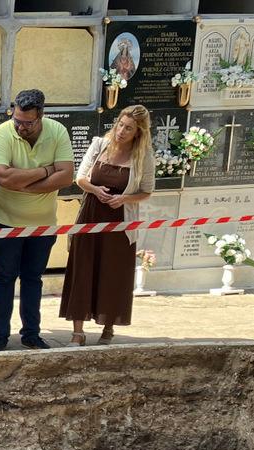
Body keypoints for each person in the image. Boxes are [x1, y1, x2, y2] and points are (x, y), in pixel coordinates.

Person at [0, 88, 74, 352]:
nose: (21, 127)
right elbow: (4, 177)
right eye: (17, 120)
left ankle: (31, 333)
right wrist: (46, 172)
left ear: (41, 116)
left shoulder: (57, 131)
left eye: (28, 123)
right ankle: (0, 335)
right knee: (4, 277)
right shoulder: (2, 133)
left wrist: (25, 183)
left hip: (43, 223)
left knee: (33, 278)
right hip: (5, 219)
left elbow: (67, 176)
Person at [60, 105, 154, 346]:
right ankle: (77, 331)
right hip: (91, 215)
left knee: (112, 273)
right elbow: (80, 177)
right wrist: (95, 189)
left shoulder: (143, 156)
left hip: (120, 221)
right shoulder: (99, 144)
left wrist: (124, 198)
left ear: (138, 133)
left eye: (129, 128)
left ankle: (108, 327)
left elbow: (147, 191)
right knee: (83, 269)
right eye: (120, 125)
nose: (122, 131)